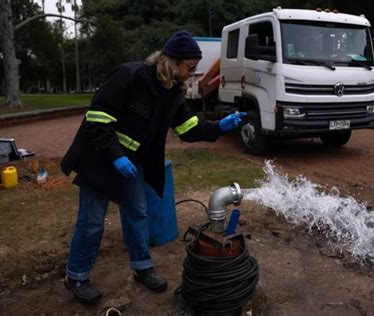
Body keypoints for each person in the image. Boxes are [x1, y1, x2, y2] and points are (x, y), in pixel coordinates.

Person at [60, 30, 246, 304]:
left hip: (132, 164)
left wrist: (219, 126)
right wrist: (115, 155)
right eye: (190, 67)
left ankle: (142, 268)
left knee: (138, 214)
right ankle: (76, 276)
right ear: (172, 61)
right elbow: (97, 119)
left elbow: (187, 127)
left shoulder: (173, 92)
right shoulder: (129, 76)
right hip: (99, 160)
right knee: (91, 222)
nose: (192, 73)